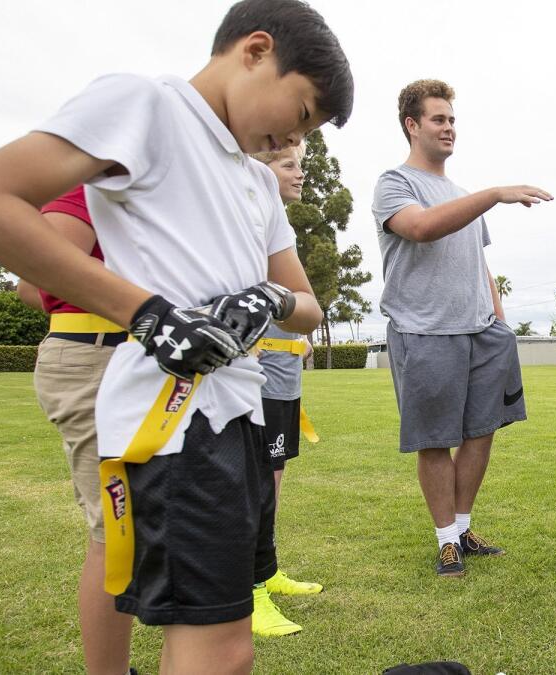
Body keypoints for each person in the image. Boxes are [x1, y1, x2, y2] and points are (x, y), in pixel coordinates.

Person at [0, 0, 351, 670]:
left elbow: (308, 305)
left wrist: (267, 298)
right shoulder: (144, 105)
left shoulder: (258, 185)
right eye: (299, 115)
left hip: (239, 415)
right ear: (257, 50)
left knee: (227, 644)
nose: (290, 141)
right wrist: (147, 312)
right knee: (216, 649)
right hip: (174, 420)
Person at [371, 79, 551, 577]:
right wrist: (493, 194)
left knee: (482, 431)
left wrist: (499, 319)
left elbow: (479, 263)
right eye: (438, 119)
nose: (449, 128)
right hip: (425, 330)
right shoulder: (394, 182)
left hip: (482, 331)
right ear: (412, 125)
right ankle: (445, 538)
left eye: (452, 119)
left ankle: (463, 527)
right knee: (435, 439)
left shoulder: (462, 195)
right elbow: (422, 228)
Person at [18, 187, 134, 674]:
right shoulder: (99, 181)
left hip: (133, 356)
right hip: (96, 354)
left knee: (131, 529)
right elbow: (33, 280)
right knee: (117, 529)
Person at [248, 142, 323, 636]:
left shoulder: (279, 223)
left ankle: (267, 571)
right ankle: (248, 592)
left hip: (284, 375)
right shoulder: (247, 217)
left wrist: (302, 338)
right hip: (257, 377)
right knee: (255, 488)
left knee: (273, 480)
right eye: (288, 165)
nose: (299, 175)